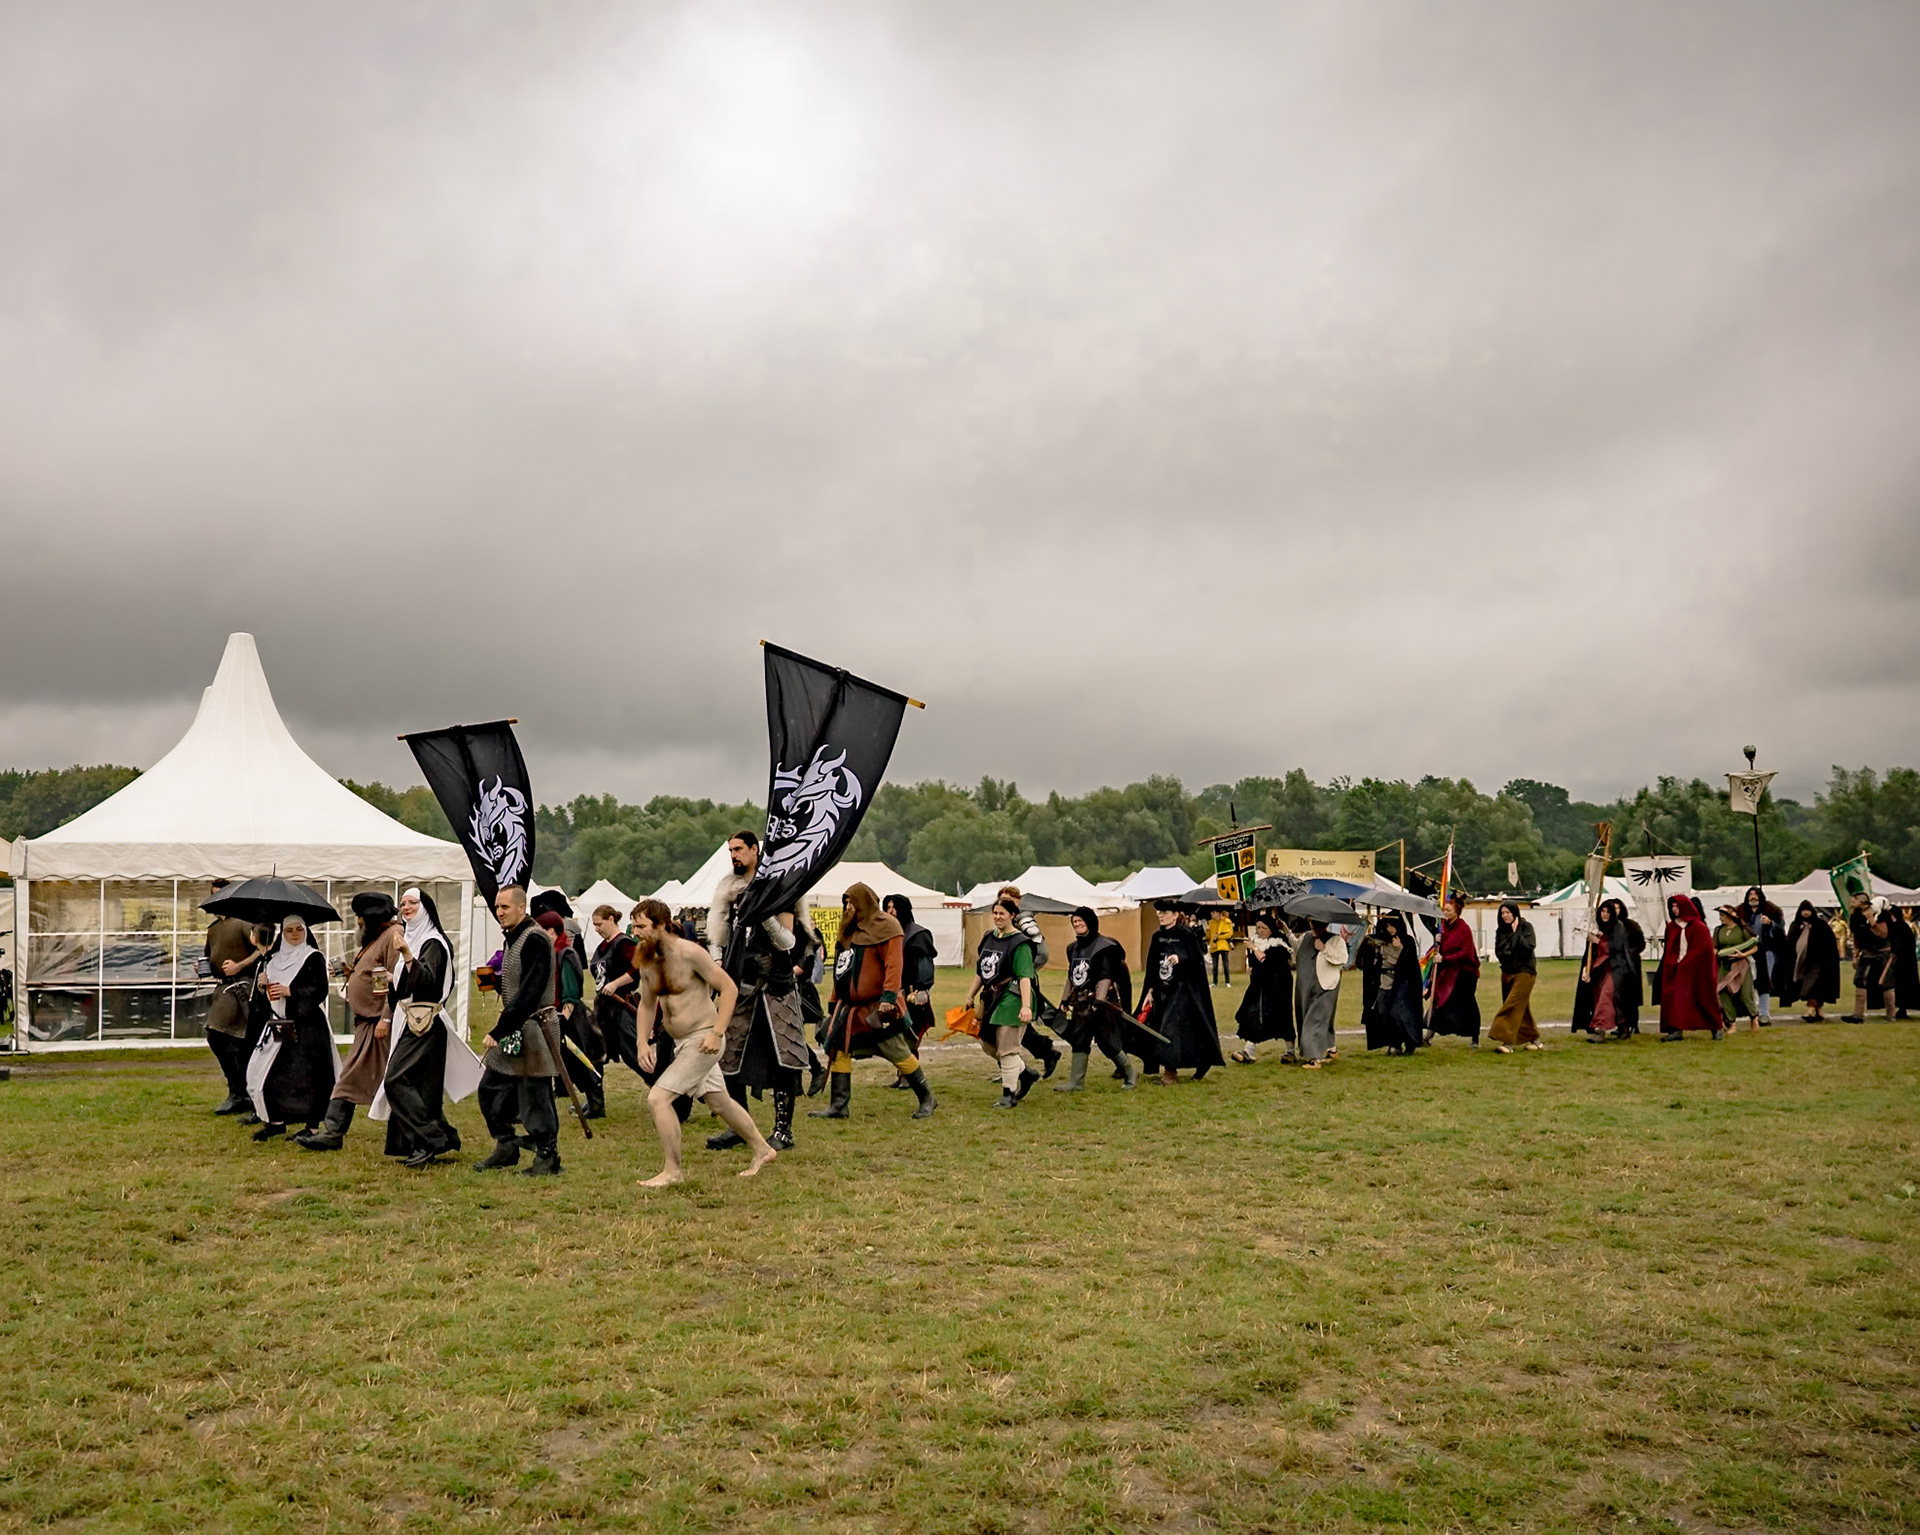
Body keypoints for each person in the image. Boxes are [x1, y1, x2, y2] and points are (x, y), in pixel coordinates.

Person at [629, 898, 778, 1184]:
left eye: (641, 926)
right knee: (720, 1102)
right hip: (681, 1041)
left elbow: (729, 988)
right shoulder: (646, 957)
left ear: (661, 925)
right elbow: (647, 1005)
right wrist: (641, 1042)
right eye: (634, 925)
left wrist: (717, 1032)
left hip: (704, 1039)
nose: (635, 932)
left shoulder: (690, 953)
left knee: (658, 1099)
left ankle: (672, 1171)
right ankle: (762, 1149)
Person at [707, 831, 810, 1153]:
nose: (734, 855)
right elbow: (720, 936)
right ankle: (739, 1127)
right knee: (729, 1057)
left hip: (775, 984)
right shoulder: (729, 890)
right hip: (739, 982)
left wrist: (764, 914)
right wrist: (716, 963)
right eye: (730, 851)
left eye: (739, 849)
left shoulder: (781, 888)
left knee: (784, 1058)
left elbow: (789, 943)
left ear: (755, 850)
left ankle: (784, 1131)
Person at [371, 887, 482, 1166]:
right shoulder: (413, 939)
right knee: (422, 1087)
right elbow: (408, 985)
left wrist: (407, 956)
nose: (406, 908)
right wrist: (392, 977)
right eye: (403, 904)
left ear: (425, 908)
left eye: (412, 903)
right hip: (411, 1020)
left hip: (425, 1023)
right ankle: (423, 1144)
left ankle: (433, 1138)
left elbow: (430, 984)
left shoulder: (431, 943)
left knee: (396, 1079)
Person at [812, 883, 937, 1121]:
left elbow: (894, 964)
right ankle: (838, 1105)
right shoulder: (848, 930)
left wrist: (889, 998)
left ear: (865, 903)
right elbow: (842, 970)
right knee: (840, 1048)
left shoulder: (887, 927)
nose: (848, 907)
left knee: (897, 1052)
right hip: (849, 1009)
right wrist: (834, 1001)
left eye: (852, 902)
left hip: (878, 1007)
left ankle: (927, 1097)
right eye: (846, 902)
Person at [298, 892, 403, 1151]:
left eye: (360, 918)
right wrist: (351, 972)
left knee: (357, 1078)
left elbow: (395, 981)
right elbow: (374, 974)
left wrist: (386, 1019)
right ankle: (334, 1131)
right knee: (385, 1080)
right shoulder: (377, 937)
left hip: (378, 1023)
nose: (357, 923)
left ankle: (333, 1132)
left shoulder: (392, 936)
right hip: (367, 1023)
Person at [473, 885, 565, 1177]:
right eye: (497, 908)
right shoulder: (513, 938)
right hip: (516, 1026)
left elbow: (531, 991)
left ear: (521, 908)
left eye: (505, 907)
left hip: (536, 1029)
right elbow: (517, 987)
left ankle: (547, 1156)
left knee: (535, 1097)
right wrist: (495, 983)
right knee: (491, 1090)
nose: (499, 912)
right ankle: (506, 1146)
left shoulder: (535, 939)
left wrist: (500, 1029)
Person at [589, 904, 690, 1123]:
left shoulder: (623, 944)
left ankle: (675, 1099)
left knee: (639, 1058)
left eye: (599, 924)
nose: (596, 928)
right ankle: (594, 1101)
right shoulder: (602, 947)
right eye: (594, 925)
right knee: (594, 1050)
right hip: (604, 1009)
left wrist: (615, 984)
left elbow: (635, 970)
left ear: (611, 920)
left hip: (621, 1007)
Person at [243, 916, 336, 1141]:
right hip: (280, 1024)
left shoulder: (313, 957)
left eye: (299, 930)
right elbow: (266, 1001)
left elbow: (319, 990)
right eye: (289, 931)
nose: (294, 934)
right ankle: (276, 1121)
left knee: (308, 1079)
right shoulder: (272, 960)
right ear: (282, 934)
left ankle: (312, 1127)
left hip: (309, 1028)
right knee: (273, 1075)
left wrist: (290, 991)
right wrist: (264, 987)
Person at [202, 880, 269, 1115]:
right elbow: (211, 957)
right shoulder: (212, 928)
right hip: (222, 990)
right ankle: (239, 1091)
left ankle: (242, 1092)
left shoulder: (243, 923)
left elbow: (261, 950)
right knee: (220, 1039)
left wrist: (239, 965)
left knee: (225, 1038)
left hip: (242, 988)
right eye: (214, 896)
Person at [968, 896, 1043, 1106]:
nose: (998, 917)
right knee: (987, 1042)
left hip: (1012, 998)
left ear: (1013, 915)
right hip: (991, 998)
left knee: (1007, 1047)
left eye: (1002, 913)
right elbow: (981, 970)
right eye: (995, 913)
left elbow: (1025, 976)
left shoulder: (1020, 944)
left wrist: (1026, 1006)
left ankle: (1008, 1096)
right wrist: (970, 994)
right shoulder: (988, 938)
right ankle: (1025, 1073)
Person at [1055, 906, 1140, 1088]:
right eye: (1074, 921)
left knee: (1107, 1042)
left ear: (1090, 922)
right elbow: (1072, 975)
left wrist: (1100, 1001)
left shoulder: (1105, 947)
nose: (1077, 924)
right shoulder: (1073, 949)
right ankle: (1076, 1081)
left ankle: (1130, 1073)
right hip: (1081, 1003)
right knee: (1080, 1040)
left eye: (1080, 921)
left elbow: (1105, 975)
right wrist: (1064, 999)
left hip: (1102, 1002)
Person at [1138, 900, 1222, 1083]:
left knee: (1172, 1028)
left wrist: (1181, 957)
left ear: (1176, 915)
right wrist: (1150, 991)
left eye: (1165, 912)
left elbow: (1197, 959)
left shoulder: (1186, 934)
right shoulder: (1157, 937)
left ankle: (1171, 1072)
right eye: (1159, 912)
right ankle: (1176, 1066)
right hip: (1163, 991)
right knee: (1161, 1027)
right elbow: (1152, 966)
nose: (1160, 915)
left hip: (1184, 991)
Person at [535, 909, 601, 1120]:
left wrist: (564, 1017)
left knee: (580, 1059)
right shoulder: (552, 952)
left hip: (570, 1016)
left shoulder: (566, 953)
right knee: (570, 1063)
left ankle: (596, 1105)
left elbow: (571, 991)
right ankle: (591, 1103)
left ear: (551, 931)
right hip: (557, 1014)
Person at [997, 886, 1066, 1077]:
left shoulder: (1024, 920)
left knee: (1012, 1024)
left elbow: (1042, 954)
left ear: (1017, 902)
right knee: (1005, 1025)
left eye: (1009, 900)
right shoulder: (1001, 921)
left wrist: (1022, 972)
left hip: (1020, 984)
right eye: (1002, 900)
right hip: (1002, 985)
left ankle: (1042, 1054)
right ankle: (1030, 1059)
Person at [1572, 898, 1642, 1042]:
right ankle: (1623, 1028)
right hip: (1601, 970)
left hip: (1617, 969)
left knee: (1606, 996)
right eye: (1602, 911)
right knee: (1604, 999)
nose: (1605, 914)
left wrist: (1599, 939)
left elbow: (1614, 948)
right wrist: (1587, 968)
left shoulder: (1619, 927)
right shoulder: (1598, 928)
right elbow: (1592, 952)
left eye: (1608, 911)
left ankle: (1600, 1030)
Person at [1657, 895, 1722, 1040]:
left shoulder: (1699, 927)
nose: (1674, 910)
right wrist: (1672, 964)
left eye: (1677, 906)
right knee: (1674, 998)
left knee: (1704, 998)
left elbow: (1703, 950)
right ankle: (1675, 1029)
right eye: (1672, 907)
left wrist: (1687, 963)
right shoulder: (1671, 927)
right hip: (1676, 968)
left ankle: (1715, 1026)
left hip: (1696, 970)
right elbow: (1669, 948)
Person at [1357, 914, 1423, 1056]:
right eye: (1387, 925)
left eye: (1392, 925)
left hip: (1402, 985)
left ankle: (1409, 1043)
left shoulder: (1407, 941)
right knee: (1384, 1013)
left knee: (1399, 1014)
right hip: (1383, 982)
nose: (1390, 929)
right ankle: (1394, 1043)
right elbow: (1365, 959)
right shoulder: (1379, 941)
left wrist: (1400, 949)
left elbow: (1410, 966)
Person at [1232, 915, 1294, 1063]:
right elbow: (1257, 963)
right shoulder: (1255, 942)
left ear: (1271, 929)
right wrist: (1251, 968)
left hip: (1278, 986)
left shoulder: (1279, 945)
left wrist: (1254, 949)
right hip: (1260, 985)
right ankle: (1249, 1050)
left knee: (1282, 1016)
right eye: (1258, 927)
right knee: (1254, 1013)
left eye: (1264, 928)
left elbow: (1269, 963)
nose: (1260, 930)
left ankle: (1290, 1051)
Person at [884, 894, 940, 1055]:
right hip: (893, 995)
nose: (891, 911)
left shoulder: (917, 935)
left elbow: (925, 968)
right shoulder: (887, 935)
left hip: (912, 995)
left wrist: (920, 992)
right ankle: (905, 1078)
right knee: (897, 1039)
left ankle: (910, 1079)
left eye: (894, 907)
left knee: (909, 1039)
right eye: (888, 907)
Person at [1426, 892, 1481, 1045]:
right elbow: (1441, 948)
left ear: (1457, 912)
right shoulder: (1443, 928)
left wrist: (1445, 958)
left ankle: (1474, 1036)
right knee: (1441, 1000)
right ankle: (1429, 1035)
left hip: (1465, 973)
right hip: (1448, 972)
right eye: (1444, 910)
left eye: (1448, 910)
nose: (1445, 913)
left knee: (1468, 1004)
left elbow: (1466, 953)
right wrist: (1438, 943)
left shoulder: (1464, 929)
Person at [1488, 901, 1542, 1053]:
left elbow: (1528, 947)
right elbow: (1501, 952)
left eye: (1508, 912)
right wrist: (1512, 947)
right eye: (1503, 913)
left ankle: (1507, 1043)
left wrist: (1516, 932)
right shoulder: (1500, 931)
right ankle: (1535, 1040)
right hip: (1507, 972)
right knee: (1521, 1007)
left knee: (1512, 1004)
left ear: (1515, 913)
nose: (1505, 916)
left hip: (1525, 972)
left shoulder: (1526, 927)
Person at [1291, 920, 1345, 1067]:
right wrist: (1284, 929)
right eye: (1313, 924)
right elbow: (1296, 947)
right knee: (1311, 1017)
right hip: (1306, 986)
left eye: (1318, 925)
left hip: (1326, 986)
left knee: (1314, 1020)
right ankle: (1331, 1049)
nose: (1315, 928)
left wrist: (1324, 949)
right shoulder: (1306, 937)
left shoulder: (1335, 939)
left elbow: (1342, 959)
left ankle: (1315, 1058)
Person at [1788, 899, 1841, 1021]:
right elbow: (1790, 942)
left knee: (1814, 984)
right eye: (1803, 910)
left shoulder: (1821, 926)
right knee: (1810, 985)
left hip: (1819, 962)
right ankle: (1818, 1010)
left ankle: (1811, 1009)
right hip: (1801, 963)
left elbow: (1829, 944)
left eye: (1808, 910)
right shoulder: (1796, 925)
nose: (1806, 913)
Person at [1841, 893, 1890, 1024]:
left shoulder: (1880, 914)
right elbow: (1857, 936)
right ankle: (1858, 1014)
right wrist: (1855, 955)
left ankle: (1891, 1014)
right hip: (1866, 952)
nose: (1852, 900)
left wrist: (1872, 921)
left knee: (1886, 983)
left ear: (1863, 902)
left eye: (1855, 899)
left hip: (1881, 952)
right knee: (1860, 981)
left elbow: (1883, 934)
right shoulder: (1856, 916)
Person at [1742, 887, 1784, 1026]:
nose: (1753, 897)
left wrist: (1770, 924)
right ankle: (1752, 1011)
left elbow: (1780, 930)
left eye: (1755, 894)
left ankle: (1764, 1013)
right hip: (1748, 952)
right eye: (1751, 894)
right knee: (1749, 981)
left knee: (1764, 981)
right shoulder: (1742, 914)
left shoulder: (1770, 912)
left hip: (1766, 951)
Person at [1714, 904, 1760, 1032]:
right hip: (1724, 965)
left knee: (1745, 993)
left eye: (1723, 915)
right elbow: (1715, 947)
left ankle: (1754, 1018)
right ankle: (1732, 1023)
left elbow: (1755, 946)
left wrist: (1743, 954)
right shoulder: (1718, 930)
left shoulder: (1742, 929)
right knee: (1724, 992)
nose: (1721, 918)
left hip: (1741, 965)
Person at [1884, 905, 1919, 1019]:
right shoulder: (1903, 926)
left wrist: (1893, 953)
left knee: (1900, 985)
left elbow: (1897, 944)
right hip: (1907, 960)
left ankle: (1900, 1008)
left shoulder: (1897, 927)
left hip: (1901, 961)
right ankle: (1902, 1008)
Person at [1206, 910, 1235, 987]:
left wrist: (1219, 937)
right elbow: (1208, 936)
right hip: (1214, 946)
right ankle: (1214, 982)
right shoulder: (1210, 923)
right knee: (1214, 965)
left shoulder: (1226, 922)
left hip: (1223, 945)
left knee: (1226, 964)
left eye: (1214, 913)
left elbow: (1229, 934)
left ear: (1218, 913)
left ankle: (1227, 982)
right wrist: (1207, 930)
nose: (1212, 914)